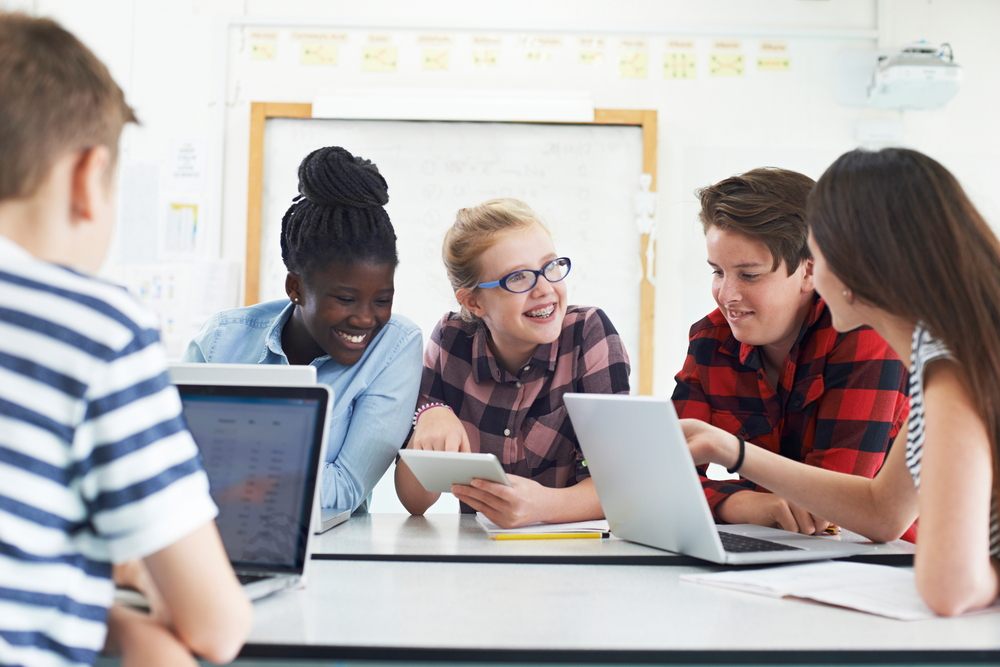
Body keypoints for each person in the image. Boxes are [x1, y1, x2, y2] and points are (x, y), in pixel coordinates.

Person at [0, 12, 251, 667]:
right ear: (89, 177)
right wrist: (128, 608)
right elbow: (215, 625)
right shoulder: (92, 327)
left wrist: (103, 615)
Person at [683, 148, 1000, 616]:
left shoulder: (949, 373)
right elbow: (883, 512)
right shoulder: (942, 355)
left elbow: (949, 587)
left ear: (856, 264)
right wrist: (735, 453)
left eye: (818, 248)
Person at [672, 168, 912, 538]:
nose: (726, 295)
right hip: (776, 548)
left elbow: (834, 507)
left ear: (809, 272)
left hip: (882, 560)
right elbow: (660, 476)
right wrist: (741, 505)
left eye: (749, 275)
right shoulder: (711, 339)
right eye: (718, 272)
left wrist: (733, 470)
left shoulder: (864, 335)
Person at [184, 146, 422, 513]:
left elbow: (344, 489)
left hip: (330, 555)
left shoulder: (395, 347)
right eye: (345, 299)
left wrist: (224, 464)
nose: (364, 319)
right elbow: (168, 463)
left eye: (382, 299)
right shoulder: (221, 341)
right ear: (295, 288)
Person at [394, 198, 630, 527]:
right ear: (473, 301)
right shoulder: (450, 339)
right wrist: (428, 418)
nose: (545, 288)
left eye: (550, 266)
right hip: (480, 555)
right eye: (518, 278)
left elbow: (621, 487)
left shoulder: (589, 334)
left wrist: (543, 506)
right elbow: (415, 502)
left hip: (574, 552)